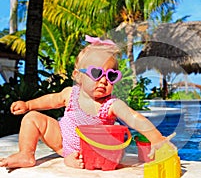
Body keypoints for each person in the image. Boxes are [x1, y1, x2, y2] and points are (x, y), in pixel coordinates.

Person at [0, 35, 175, 169]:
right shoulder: (71, 94)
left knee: (89, 157)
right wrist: (28, 105)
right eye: (97, 73)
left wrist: (156, 138)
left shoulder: (111, 104)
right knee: (32, 118)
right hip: (61, 140)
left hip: (92, 150)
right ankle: (25, 154)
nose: (104, 81)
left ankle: (75, 159)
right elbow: (51, 100)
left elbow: (133, 117)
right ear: (78, 76)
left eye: (111, 76)